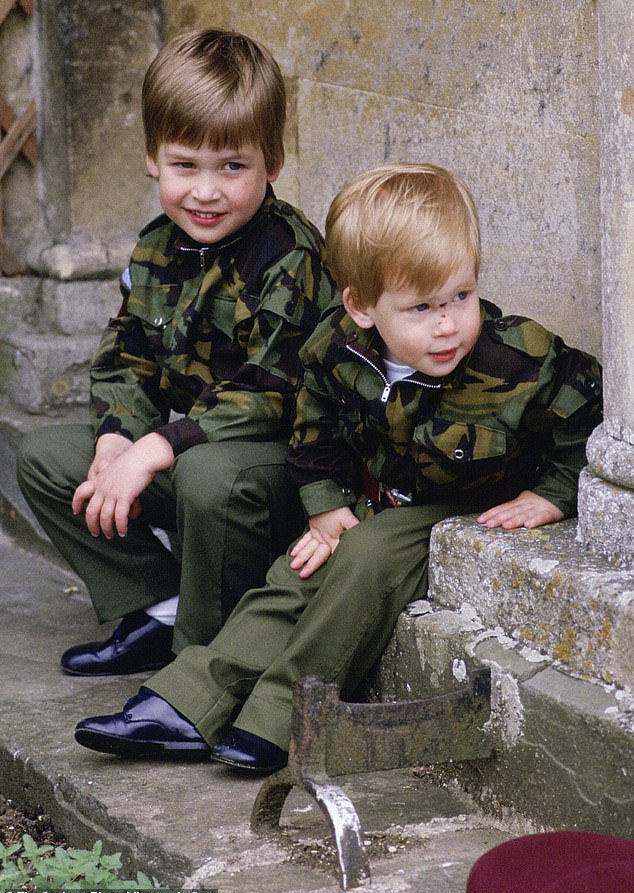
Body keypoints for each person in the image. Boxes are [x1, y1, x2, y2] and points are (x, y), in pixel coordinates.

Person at [72, 162, 603, 772]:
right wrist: (325, 508)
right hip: (385, 496)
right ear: (362, 306)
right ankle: (188, 698)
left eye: (462, 295)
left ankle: (282, 716)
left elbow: (586, 406)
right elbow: (313, 428)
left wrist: (556, 493)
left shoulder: (518, 359)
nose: (448, 324)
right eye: (421, 307)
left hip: (465, 506)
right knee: (296, 571)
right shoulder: (337, 349)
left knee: (367, 556)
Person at [16, 28, 340, 676]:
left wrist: (156, 448)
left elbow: (270, 390)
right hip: (195, 453)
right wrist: (117, 437)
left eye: (232, 166)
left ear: (272, 161)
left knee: (207, 473)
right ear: (152, 159)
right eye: (185, 165)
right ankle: (159, 609)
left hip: (279, 475)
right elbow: (128, 354)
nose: (206, 191)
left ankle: (202, 668)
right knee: (49, 459)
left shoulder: (289, 255)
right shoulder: (156, 248)